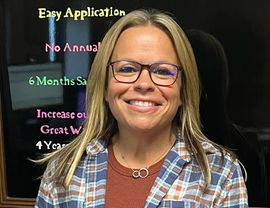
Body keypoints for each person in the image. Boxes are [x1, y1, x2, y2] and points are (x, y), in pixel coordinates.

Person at [35, 9, 248, 207]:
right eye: (127, 68)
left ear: (183, 91)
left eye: (163, 71)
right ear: (105, 87)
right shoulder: (64, 170)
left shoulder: (221, 174)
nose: (144, 84)